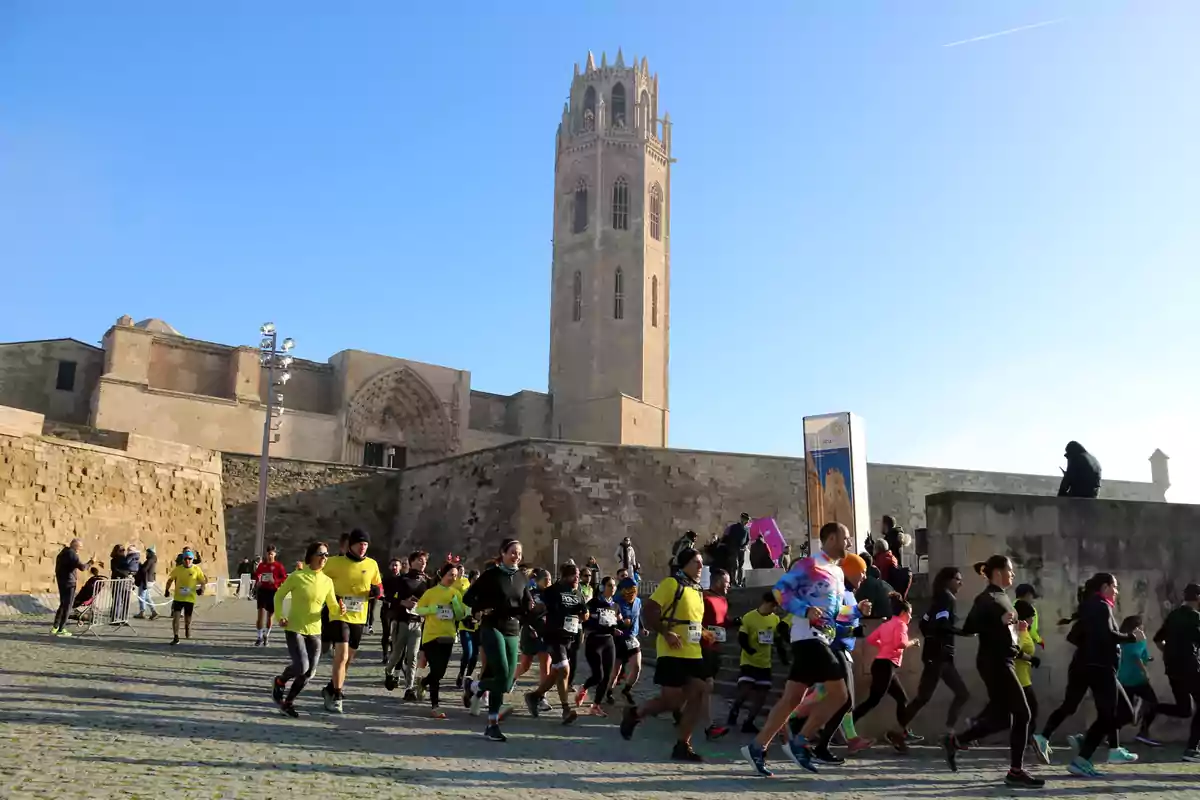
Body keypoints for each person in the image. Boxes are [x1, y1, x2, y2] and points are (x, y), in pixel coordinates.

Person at [739, 522, 868, 778]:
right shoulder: (809, 565)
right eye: (846, 538)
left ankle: (756, 747)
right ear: (831, 539)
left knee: (792, 699)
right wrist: (805, 611)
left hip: (821, 638)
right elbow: (779, 592)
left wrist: (856, 610)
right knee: (840, 695)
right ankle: (801, 742)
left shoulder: (838, 573)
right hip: (808, 637)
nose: (850, 543)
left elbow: (833, 613)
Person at [942, 556, 1043, 789]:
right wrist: (998, 621)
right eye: (1010, 570)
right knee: (1023, 713)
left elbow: (1006, 631)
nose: (1013, 574)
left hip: (1005, 659)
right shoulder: (985, 598)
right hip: (994, 662)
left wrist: (1015, 628)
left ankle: (956, 741)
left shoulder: (1003, 596)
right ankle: (1015, 772)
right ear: (997, 572)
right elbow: (969, 628)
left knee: (1001, 717)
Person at [620, 547, 712, 762]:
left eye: (701, 563)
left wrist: (705, 633)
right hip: (672, 652)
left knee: (700, 691)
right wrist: (664, 631)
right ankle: (636, 713)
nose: (700, 567)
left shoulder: (697, 589)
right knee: (672, 702)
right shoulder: (672, 584)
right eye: (696, 562)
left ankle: (683, 744)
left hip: (694, 651)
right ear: (684, 564)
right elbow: (649, 609)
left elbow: (692, 621)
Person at [463, 539, 534, 740]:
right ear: (502, 553)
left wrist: (531, 608)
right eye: (513, 552)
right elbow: (469, 598)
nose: (516, 556)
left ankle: (476, 691)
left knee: (506, 682)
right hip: (492, 625)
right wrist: (480, 609)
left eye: (519, 553)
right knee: (501, 673)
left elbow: (526, 600)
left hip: (512, 628)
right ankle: (490, 719)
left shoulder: (521, 577)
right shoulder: (491, 575)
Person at [271, 541, 343, 717]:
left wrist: (340, 609)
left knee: (310, 672)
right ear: (311, 556)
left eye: (326, 554)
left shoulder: (327, 581)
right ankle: (280, 681)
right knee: (302, 666)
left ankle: (288, 703)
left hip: (315, 630)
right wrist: (280, 616)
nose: (324, 557)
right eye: (321, 554)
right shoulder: (297, 576)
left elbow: (332, 606)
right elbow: (279, 595)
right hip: (294, 627)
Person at [902, 566, 971, 736]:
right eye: (958, 579)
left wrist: (932, 638)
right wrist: (962, 632)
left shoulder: (937, 600)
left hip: (939, 657)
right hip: (939, 657)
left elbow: (924, 624)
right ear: (948, 581)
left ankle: (948, 731)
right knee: (928, 696)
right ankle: (899, 728)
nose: (961, 583)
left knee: (959, 693)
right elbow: (941, 625)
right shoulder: (947, 599)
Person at [320, 528, 383, 714]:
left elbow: (378, 584)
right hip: (339, 613)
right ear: (351, 544)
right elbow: (317, 576)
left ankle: (330, 688)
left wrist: (376, 592)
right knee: (342, 655)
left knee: (348, 659)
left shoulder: (372, 564)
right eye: (359, 544)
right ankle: (337, 695)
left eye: (365, 544)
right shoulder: (334, 562)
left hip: (359, 615)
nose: (363, 548)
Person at [853, 593, 920, 752]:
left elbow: (870, 640)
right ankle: (847, 724)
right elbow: (901, 644)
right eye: (910, 614)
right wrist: (913, 642)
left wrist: (883, 644)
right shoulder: (901, 624)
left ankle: (903, 732)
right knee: (873, 700)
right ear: (904, 613)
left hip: (883, 665)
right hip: (886, 666)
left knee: (901, 698)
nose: (910, 617)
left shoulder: (887, 624)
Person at [525, 563, 588, 725]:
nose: (577, 578)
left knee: (556, 672)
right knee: (564, 669)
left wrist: (584, 614)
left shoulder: (578, 593)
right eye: (574, 575)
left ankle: (534, 696)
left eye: (578, 576)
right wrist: (534, 626)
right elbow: (537, 610)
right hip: (553, 636)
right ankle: (566, 709)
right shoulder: (552, 591)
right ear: (564, 576)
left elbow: (583, 614)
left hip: (569, 637)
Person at [1151, 582, 1200, 762]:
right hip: (1190, 668)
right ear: (1198, 598)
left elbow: (1157, 640)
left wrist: (1170, 654)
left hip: (1172, 668)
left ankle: (1152, 707)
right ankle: (1191, 750)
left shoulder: (1173, 615)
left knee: (1185, 709)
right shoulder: (1196, 617)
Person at [413, 562, 467, 719]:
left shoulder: (456, 593)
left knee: (440, 672)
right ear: (442, 575)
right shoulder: (431, 592)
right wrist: (431, 610)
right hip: (431, 637)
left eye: (456, 576)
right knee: (436, 670)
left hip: (448, 636)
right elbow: (418, 609)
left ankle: (423, 683)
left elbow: (460, 616)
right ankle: (435, 705)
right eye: (450, 575)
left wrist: (456, 605)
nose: (453, 578)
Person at [727, 591, 786, 733]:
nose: (775, 609)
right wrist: (748, 649)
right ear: (766, 603)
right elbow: (742, 636)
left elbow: (777, 640)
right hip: (749, 661)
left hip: (765, 663)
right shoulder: (749, 617)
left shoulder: (775, 619)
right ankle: (735, 709)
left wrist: (783, 656)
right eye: (774, 605)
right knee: (745, 690)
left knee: (762, 695)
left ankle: (749, 722)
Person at [384, 550, 430, 701]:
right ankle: (389, 672)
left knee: (412, 657)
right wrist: (402, 602)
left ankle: (409, 688)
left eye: (424, 561)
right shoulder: (402, 580)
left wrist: (426, 611)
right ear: (411, 562)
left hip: (417, 623)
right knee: (397, 653)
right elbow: (388, 596)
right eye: (419, 560)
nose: (422, 563)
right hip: (401, 621)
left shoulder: (427, 582)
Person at [699, 568, 737, 740]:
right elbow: (695, 619)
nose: (729, 586)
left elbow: (721, 621)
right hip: (702, 647)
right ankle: (709, 726)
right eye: (727, 583)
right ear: (718, 582)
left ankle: (682, 713)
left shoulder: (723, 599)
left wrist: (733, 622)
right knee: (708, 685)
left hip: (716, 648)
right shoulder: (704, 597)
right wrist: (704, 633)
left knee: (699, 687)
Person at [1116, 614, 1159, 746]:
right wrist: (1145, 672)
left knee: (1123, 713)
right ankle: (1143, 733)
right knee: (1153, 704)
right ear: (1137, 626)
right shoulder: (1138, 637)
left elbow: (1135, 655)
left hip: (1123, 678)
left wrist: (1147, 659)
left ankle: (1107, 735)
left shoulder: (1122, 638)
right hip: (1137, 678)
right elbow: (1135, 656)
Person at [164, 549, 206, 646]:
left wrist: (201, 589)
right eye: (186, 559)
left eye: (190, 559)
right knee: (176, 618)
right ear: (183, 559)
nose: (187, 560)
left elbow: (202, 581)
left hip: (190, 598)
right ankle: (176, 637)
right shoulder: (178, 569)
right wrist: (166, 590)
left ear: (192, 559)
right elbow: (170, 580)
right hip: (178, 598)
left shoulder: (196, 569)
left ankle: (187, 628)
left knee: (188, 619)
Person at [52, 539, 93, 636]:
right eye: (80, 547)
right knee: (68, 606)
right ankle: (61, 629)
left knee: (63, 604)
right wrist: (91, 562)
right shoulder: (72, 554)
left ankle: (55, 627)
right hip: (69, 583)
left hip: (61, 581)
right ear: (75, 546)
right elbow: (83, 567)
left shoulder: (63, 553)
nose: (80, 549)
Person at [1014, 600, 1041, 742]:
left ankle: (1026, 739)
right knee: (1031, 709)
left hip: (1024, 677)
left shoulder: (1024, 630)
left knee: (1026, 711)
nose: (1033, 619)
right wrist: (1031, 658)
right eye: (1031, 616)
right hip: (1019, 678)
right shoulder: (1019, 631)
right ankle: (1028, 739)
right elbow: (1014, 651)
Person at [613, 577, 643, 704]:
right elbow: (610, 620)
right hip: (618, 639)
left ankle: (627, 689)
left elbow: (638, 615)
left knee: (637, 666)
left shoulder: (638, 601)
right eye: (628, 589)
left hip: (631, 638)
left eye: (634, 589)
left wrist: (642, 628)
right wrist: (620, 623)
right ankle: (608, 691)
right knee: (615, 671)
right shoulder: (616, 601)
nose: (632, 592)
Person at [253, 546, 288, 647]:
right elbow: (256, 575)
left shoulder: (278, 566)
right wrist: (258, 581)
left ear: (275, 554)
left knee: (270, 616)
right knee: (260, 615)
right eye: (268, 554)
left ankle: (266, 636)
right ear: (266, 554)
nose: (269, 556)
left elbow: (284, 578)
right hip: (262, 591)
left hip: (273, 591)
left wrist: (275, 581)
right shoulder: (262, 565)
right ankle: (259, 637)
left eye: (271, 554)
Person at [455, 569, 482, 688]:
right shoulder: (464, 593)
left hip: (478, 627)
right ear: (470, 580)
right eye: (474, 579)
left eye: (478, 579)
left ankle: (468, 676)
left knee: (475, 654)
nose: (476, 581)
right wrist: (463, 618)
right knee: (468, 652)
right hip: (465, 626)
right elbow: (459, 609)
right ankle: (461, 673)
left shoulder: (482, 595)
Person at [379, 558, 405, 663]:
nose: (394, 567)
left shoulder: (403, 580)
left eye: (396, 565)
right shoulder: (385, 579)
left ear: (400, 567)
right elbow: (380, 591)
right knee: (386, 632)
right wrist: (383, 597)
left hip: (398, 609)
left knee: (397, 634)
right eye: (393, 565)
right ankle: (385, 655)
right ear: (390, 567)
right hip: (387, 608)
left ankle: (395, 653)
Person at [722, 513, 752, 587]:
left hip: (742, 550)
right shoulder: (734, 527)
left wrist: (745, 546)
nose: (747, 522)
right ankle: (733, 581)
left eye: (748, 520)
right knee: (735, 565)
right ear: (742, 519)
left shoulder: (747, 529)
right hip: (734, 549)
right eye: (746, 520)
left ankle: (739, 581)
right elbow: (728, 537)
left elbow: (748, 539)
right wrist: (731, 546)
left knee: (741, 566)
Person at [1016, 584, 1045, 649]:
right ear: (1028, 595)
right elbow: (1032, 632)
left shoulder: (1011, 606)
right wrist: (1040, 641)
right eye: (1032, 596)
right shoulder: (1031, 610)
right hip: (1025, 644)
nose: (1033, 600)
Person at [133, 545, 158, 620]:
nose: (146, 554)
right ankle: (154, 611)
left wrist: (140, 566)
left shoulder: (150, 560)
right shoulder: (153, 560)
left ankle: (142, 612)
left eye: (147, 552)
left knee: (141, 596)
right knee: (147, 597)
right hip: (149, 580)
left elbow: (144, 570)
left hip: (146, 580)